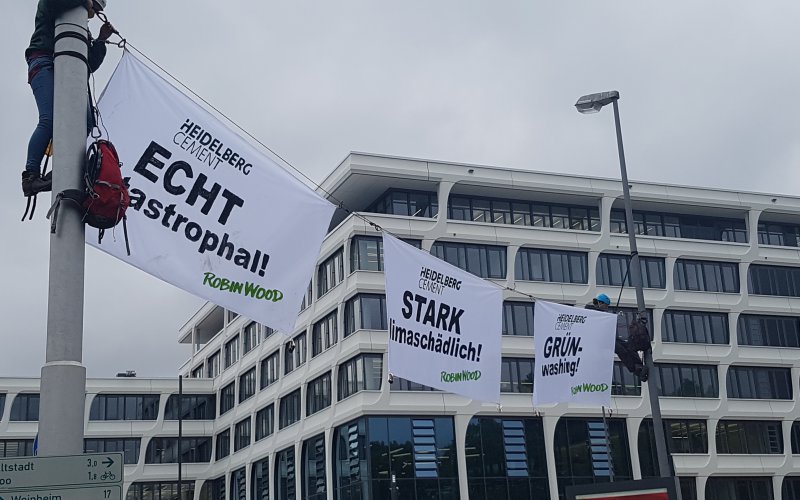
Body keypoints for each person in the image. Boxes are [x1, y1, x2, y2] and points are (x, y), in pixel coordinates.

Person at [23, 0, 115, 197]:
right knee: (49, 118)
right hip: (44, 59)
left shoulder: (79, 25)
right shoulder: (55, 4)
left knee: (87, 123)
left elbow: (88, 64)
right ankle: (30, 176)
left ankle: (69, 170)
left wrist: (100, 40)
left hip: (62, 68)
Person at [585, 293, 649, 382]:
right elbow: (588, 309)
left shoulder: (601, 312)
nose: (607, 308)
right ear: (601, 303)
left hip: (608, 337)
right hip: (599, 340)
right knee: (621, 351)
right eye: (606, 306)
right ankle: (635, 370)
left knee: (628, 346)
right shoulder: (590, 308)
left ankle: (638, 365)